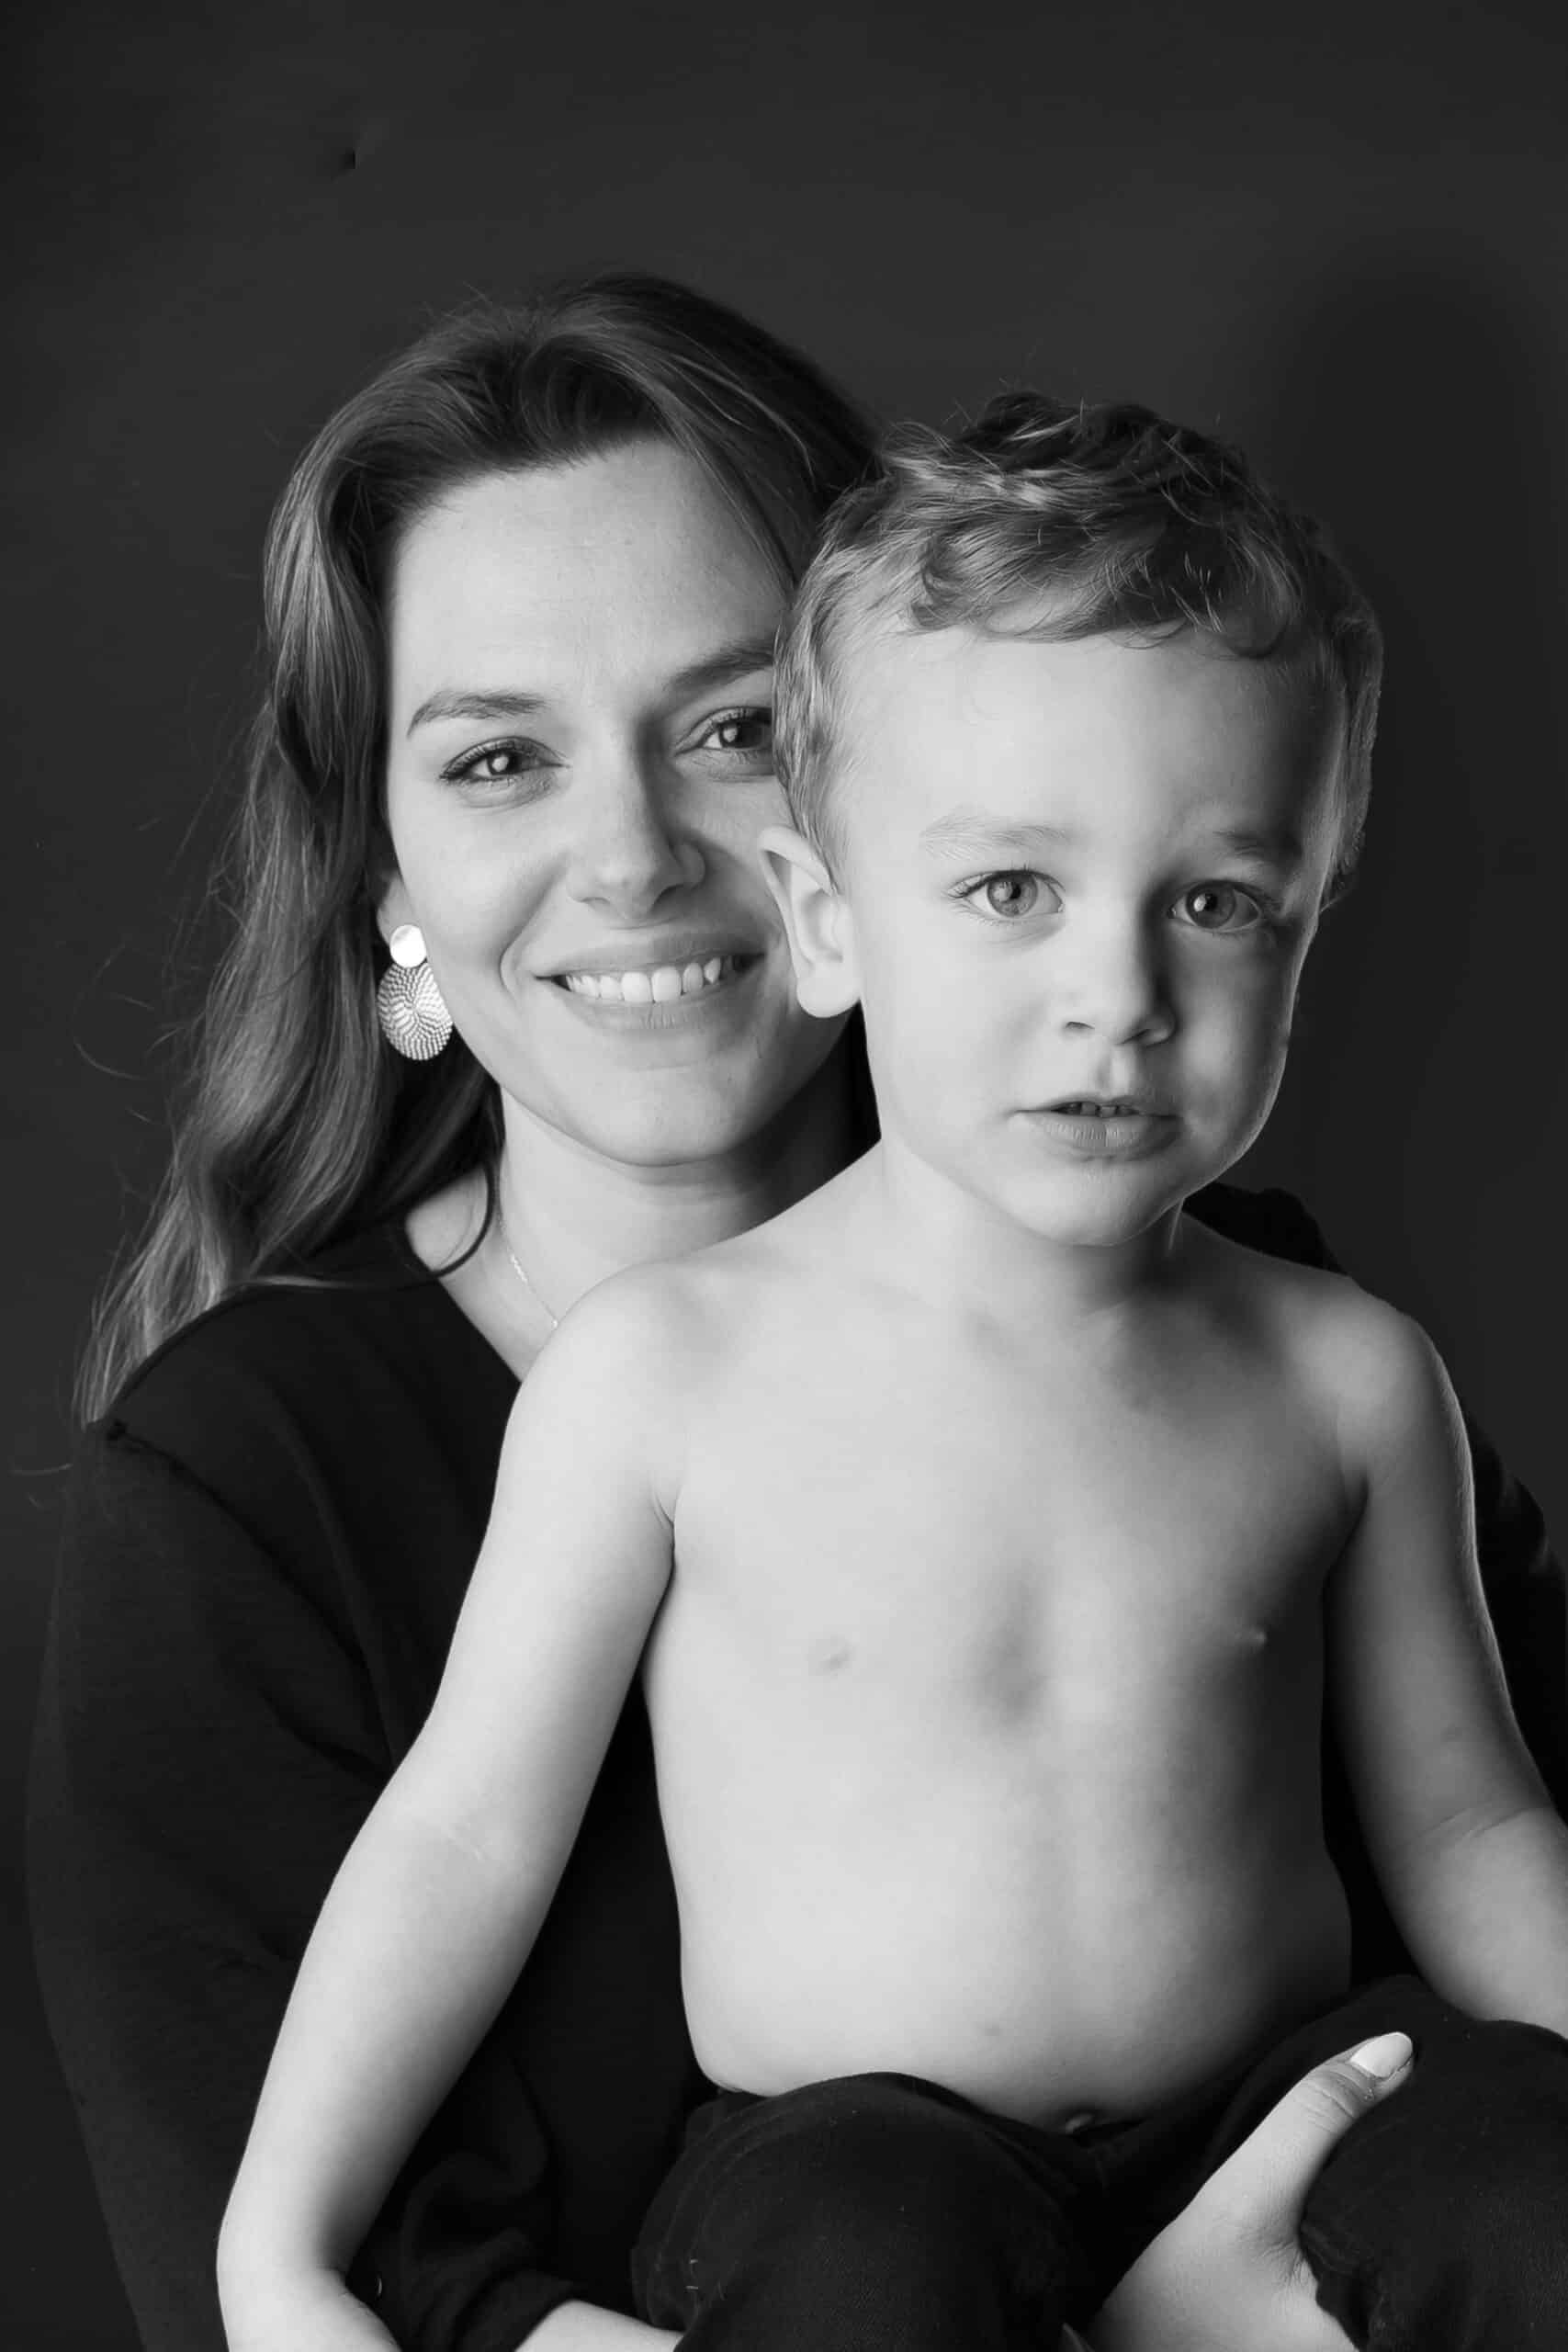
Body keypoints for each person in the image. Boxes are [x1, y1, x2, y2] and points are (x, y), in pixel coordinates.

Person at [28, 280, 1566, 2352]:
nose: (640, 858)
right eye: (497, 756)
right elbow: (425, 1964)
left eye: (730, 724)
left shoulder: (1305, 1344)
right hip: (866, 2225)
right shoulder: (333, 1475)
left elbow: (1477, 1826)